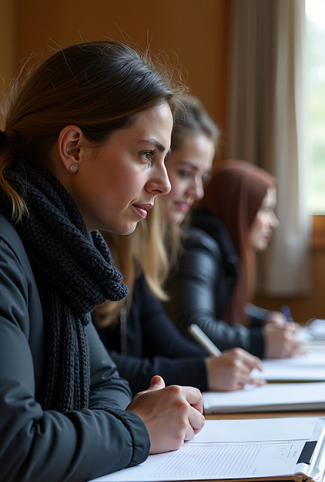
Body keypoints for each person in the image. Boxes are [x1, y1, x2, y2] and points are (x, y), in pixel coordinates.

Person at [0, 41, 206, 482]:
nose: (164, 183)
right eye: (146, 155)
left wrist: (116, 425)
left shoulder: (55, 245)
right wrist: (135, 430)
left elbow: (104, 383)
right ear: (73, 147)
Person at [95, 97, 264, 394]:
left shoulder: (137, 251)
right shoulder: (98, 243)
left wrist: (220, 364)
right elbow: (97, 368)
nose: (196, 192)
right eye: (186, 172)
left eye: (203, 177)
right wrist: (204, 370)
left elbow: (166, 340)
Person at [166, 160, 303, 359]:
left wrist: (264, 320)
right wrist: (261, 342)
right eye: (264, 210)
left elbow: (220, 303)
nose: (274, 222)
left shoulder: (223, 246)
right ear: (238, 210)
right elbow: (194, 325)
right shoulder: (198, 249)